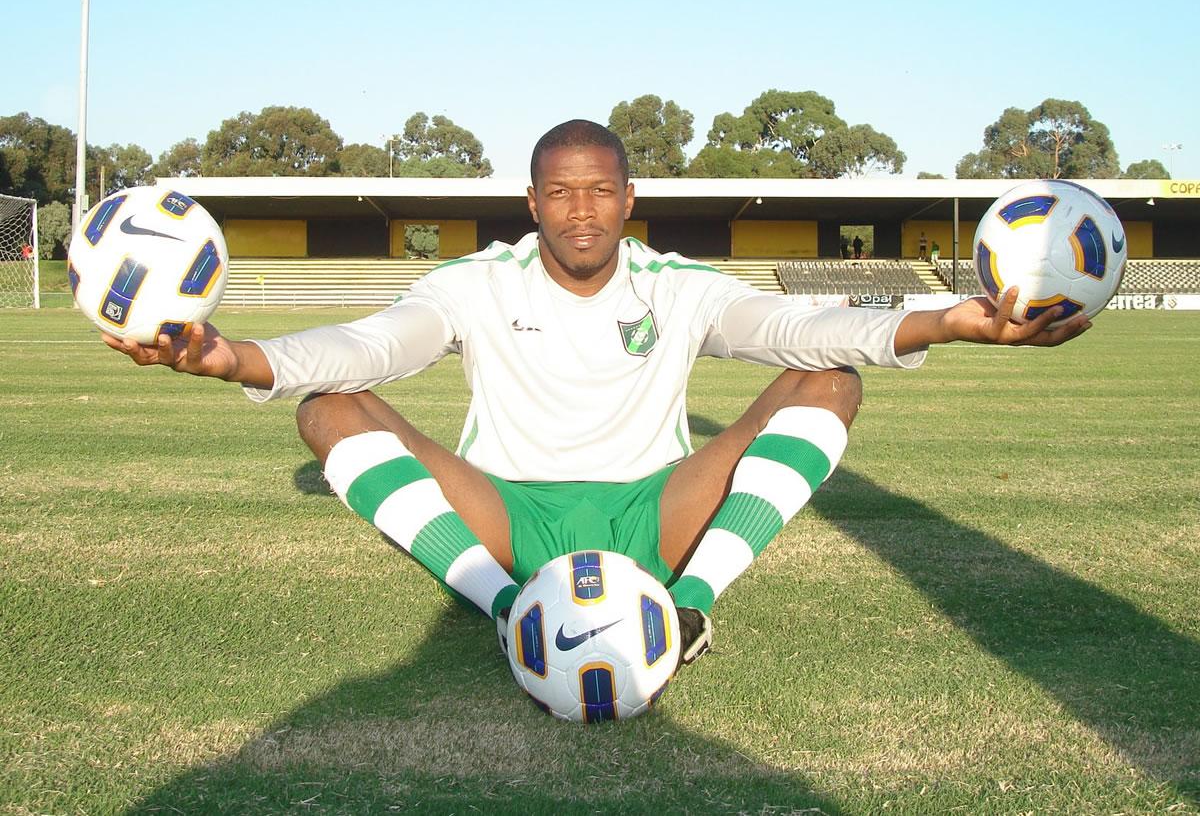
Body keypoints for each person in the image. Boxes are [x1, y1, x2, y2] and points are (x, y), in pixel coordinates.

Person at [105, 120, 1090, 668]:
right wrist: (233, 358)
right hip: (508, 509)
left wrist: (946, 322)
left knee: (825, 380)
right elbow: (369, 344)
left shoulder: (682, 288)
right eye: (560, 193)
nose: (581, 210)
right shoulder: (472, 285)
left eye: (599, 190)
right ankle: (502, 607)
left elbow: (803, 329)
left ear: (629, 202)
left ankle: (690, 608)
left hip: (653, 511)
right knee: (330, 403)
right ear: (532, 205)